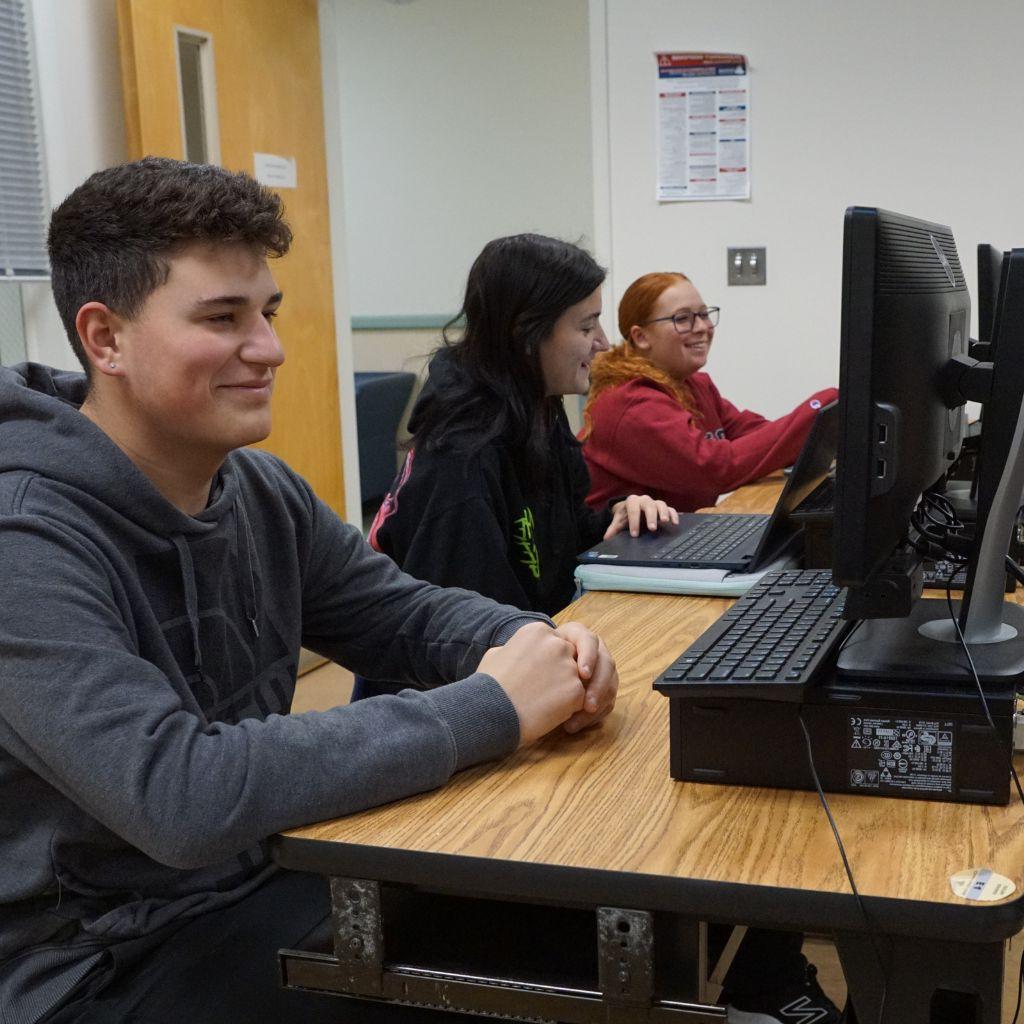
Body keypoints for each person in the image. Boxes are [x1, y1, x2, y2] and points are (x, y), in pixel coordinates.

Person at [0, 159, 620, 1024]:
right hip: (96, 966)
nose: (270, 348)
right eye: (223, 318)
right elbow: (180, 796)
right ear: (105, 339)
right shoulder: (24, 537)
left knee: (575, 939)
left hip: (260, 883)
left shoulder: (259, 491)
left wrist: (535, 644)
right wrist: (489, 706)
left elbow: (404, 615)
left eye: (269, 312)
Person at [354, 234, 675, 702]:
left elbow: (559, 536)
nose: (604, 343)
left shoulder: (536, 409)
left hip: (524, 663)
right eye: (586, 327)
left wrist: (618, 516)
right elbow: (470, 639)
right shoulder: (460, 455)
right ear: (527, 334)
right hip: (448, 702)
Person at [582, 271, 838, 512]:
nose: (702, 327)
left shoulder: (694, 384)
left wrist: (815, 434)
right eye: (682, 318)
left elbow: (754, 433)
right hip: (621, 547)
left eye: (704, 314)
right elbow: (714, 469)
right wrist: (822, 405)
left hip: (670, 538)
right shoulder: (629, 402)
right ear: (640, 337)